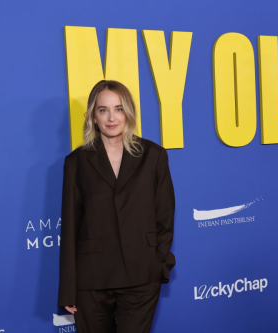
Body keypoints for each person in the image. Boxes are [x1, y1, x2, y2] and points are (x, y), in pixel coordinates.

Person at [57, 80, 176, 333]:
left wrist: (159, 265)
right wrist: (69, 288)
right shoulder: (76, 162)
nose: (112, 117)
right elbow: (70, 226)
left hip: (142, 276)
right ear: (93, 116)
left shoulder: (153, 156)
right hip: (92, 279)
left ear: (129, 112)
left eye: (119, 109)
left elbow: (165, 216)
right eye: (103, 110)